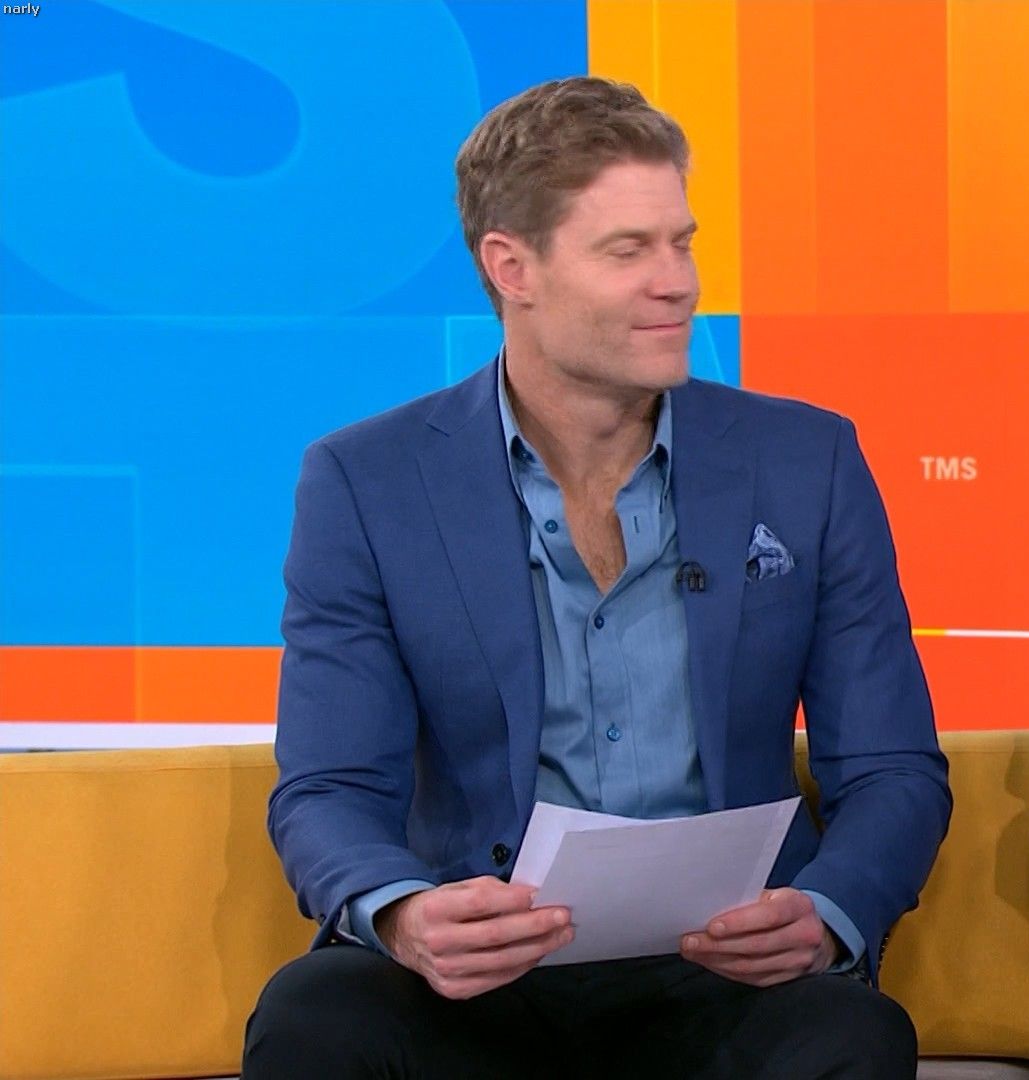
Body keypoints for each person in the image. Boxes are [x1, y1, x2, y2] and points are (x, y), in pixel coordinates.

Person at [243, 76, 950, 1079]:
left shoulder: (807, 460)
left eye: (682, 243)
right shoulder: (368, 481)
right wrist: (402, 915)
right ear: (512, 267)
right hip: (482, 983)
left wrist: (828, 910)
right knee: (315, 1015)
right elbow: (329, 788)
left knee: (851, 1035)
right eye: (628, 251)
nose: (678, 283)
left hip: (723, 973)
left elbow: (891, 770)